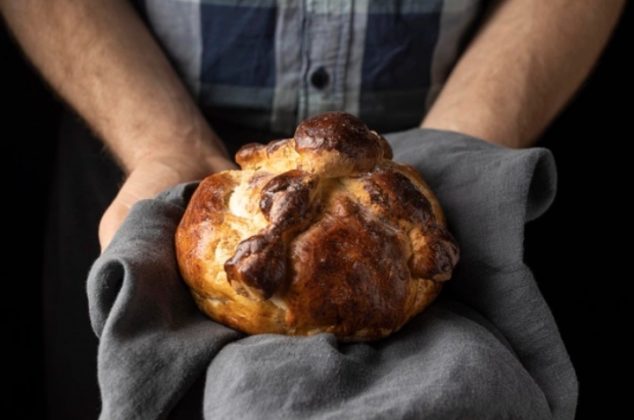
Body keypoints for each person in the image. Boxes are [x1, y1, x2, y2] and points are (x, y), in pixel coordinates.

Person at [0, 0, 624, 418]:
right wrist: (166, 146)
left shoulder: (413, 214)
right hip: (143, 132)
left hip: (458, 134)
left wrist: (460, 144)